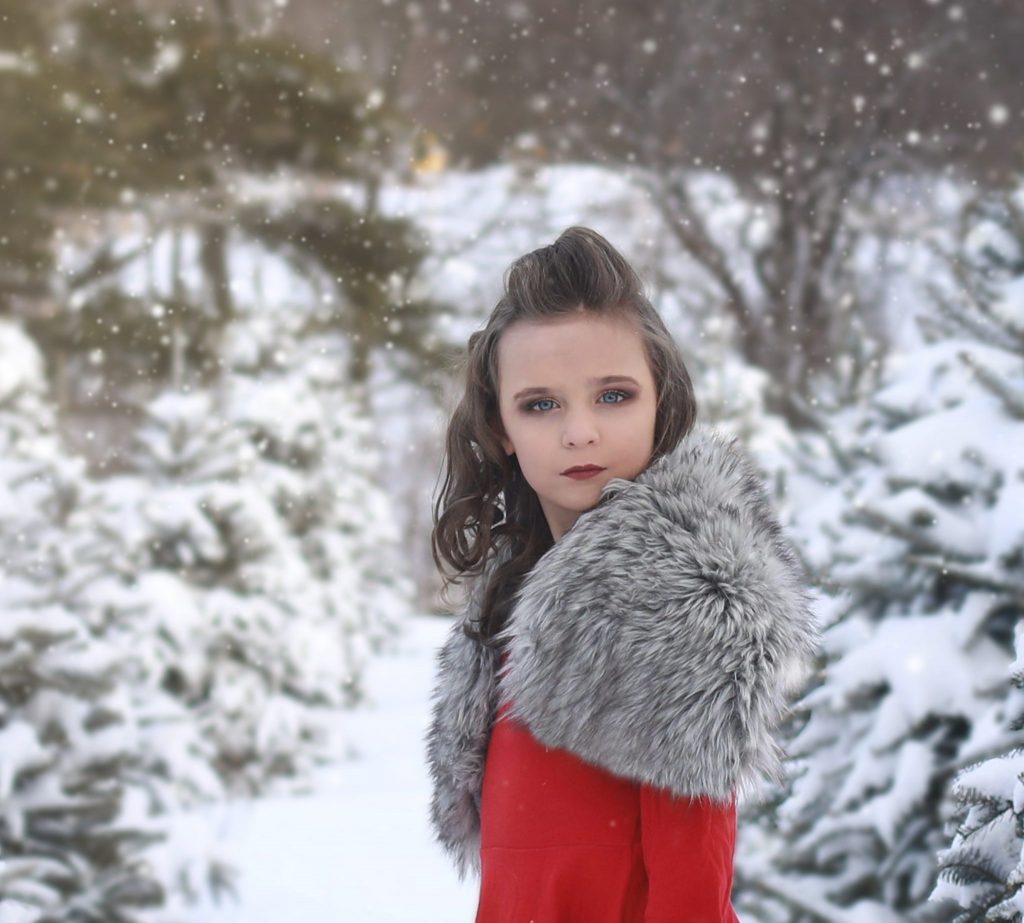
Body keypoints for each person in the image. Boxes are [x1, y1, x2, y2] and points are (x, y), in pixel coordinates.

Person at [423, 226, 820, 922]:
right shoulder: (517, 601)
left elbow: (691, 889)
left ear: (661, 400)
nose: (580, 432)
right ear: (501, 427)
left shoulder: (678, 600)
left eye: (613, 395)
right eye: (541, 404)